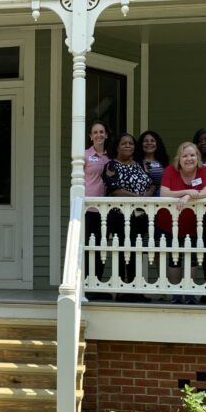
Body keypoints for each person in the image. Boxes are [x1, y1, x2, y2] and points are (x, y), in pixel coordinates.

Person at [103, 133, 156, 302]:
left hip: (139, 217)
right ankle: (120, 290)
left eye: (131, 143)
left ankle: (135, 290)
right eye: (124, 143)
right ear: (117, 147)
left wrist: (147, 195)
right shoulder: (112, 165)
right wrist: (136, 197)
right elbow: (114, 188)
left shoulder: (140, 165)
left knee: (135, 251)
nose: (128, 146)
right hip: (119, 217)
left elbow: (152, 183)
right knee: (120, 252)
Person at [159, 141, 206, 303]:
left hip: (194, 224)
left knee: (193, 257)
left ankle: (188, 293)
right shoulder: (171, 170)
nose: (189, 158)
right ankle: (176, 294)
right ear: (179, 158)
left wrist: (188, 197)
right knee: (174, 258)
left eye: (192, 155)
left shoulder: (204, 171)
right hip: (170, 222)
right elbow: (164, 193)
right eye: (185, 155)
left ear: (197, 157)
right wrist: (187, 191)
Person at [84, 121, 112, 300]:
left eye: (102, 132)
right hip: (89, 208)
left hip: (106, 210)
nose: (99, 135)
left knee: (102, 248)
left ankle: (98, 284)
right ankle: (87, 285)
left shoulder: (110, 158)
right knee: (89, 248)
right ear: (90, 136)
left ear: (106, 135)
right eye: (95, 132)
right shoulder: (85, 155)